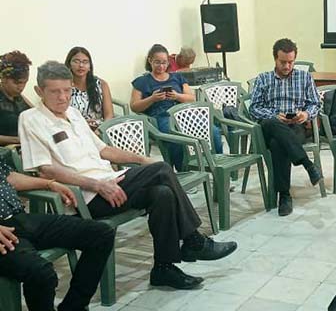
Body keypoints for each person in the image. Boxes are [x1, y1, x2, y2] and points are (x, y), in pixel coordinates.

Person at [19, 61, 237, 291]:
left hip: (111, 182)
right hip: (87, 196)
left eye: (67, 90)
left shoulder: (73, 114)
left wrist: (141, 159)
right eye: (55, 92)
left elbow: (104, 150)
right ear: (39, 91)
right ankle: (193, 240)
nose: (63, 97)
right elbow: (46, 169)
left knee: (162, 193)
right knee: (162, 170)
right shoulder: (31, 119)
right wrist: (97, 185)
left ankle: (164, 268)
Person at [0, 162, 116, 311]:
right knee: (40, 272)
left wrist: (49, 184)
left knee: (101, 234)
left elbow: (8, 177)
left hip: (19, 219)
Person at [249, 38, 322, 216]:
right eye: (283, 62)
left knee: (278, 144)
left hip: (295, 127)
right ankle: (307, 164)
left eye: (291, 62)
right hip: (270, 125)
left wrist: (306, 114)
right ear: (275, 58)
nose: (287, 66)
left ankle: (284, 195)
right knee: (272, 123)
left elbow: (315, 103)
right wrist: (274, 115)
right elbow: (254, 108)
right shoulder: (263, 79)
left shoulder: (304, 77)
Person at [130, 44, 222, 170]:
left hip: (184, 114)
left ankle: (217, 164)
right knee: (177, 138)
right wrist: (152, 98)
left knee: (213, 131)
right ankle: (184, 171)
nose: (161, 66)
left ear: (168, 62)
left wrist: (177, 96)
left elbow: (191, 98)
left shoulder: (177, 77)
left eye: (164, 62)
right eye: (157, 62)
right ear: (150, 60)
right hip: (162, 116)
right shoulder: (142, 81)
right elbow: (134, 107)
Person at [64, 46, 113, 132]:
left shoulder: (102, 84)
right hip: (73, 130)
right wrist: (81, 125)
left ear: (90, 66)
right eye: (76, 61)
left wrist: (101, 131)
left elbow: (109, 115)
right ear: (69, 65)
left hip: (99, 130)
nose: (81, 65)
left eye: (85, 62)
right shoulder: (63, 87)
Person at [0, 51, 33, 146]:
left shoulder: (21, 98)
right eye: (17, 83)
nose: (21, 87)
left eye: (25, 82)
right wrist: (17, 140)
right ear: (4, 79)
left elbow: (38, 116)